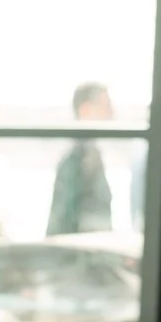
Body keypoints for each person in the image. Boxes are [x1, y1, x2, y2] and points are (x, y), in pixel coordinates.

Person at [46, 82, 114, 236]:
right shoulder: (80, 157)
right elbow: (63, 217)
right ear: (86, 110)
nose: (111, 113)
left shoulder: (89, 154)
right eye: (106, 106)